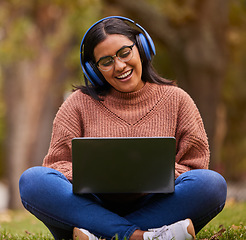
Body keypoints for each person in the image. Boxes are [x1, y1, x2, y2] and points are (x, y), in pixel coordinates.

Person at [19, 16, 227, 240]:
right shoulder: (77, 103)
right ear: (94, 69)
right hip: (89, 204)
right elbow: (57, 165)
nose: (119, 66)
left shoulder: (177, 100)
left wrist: (153, 176)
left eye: (124, 53)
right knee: (33, 181)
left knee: (212, 185)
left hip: (156, 204)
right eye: (106, 61)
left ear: (142, 47)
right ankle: (142, 236)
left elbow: (195, 166)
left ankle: (98, 234)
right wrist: (94, 177)